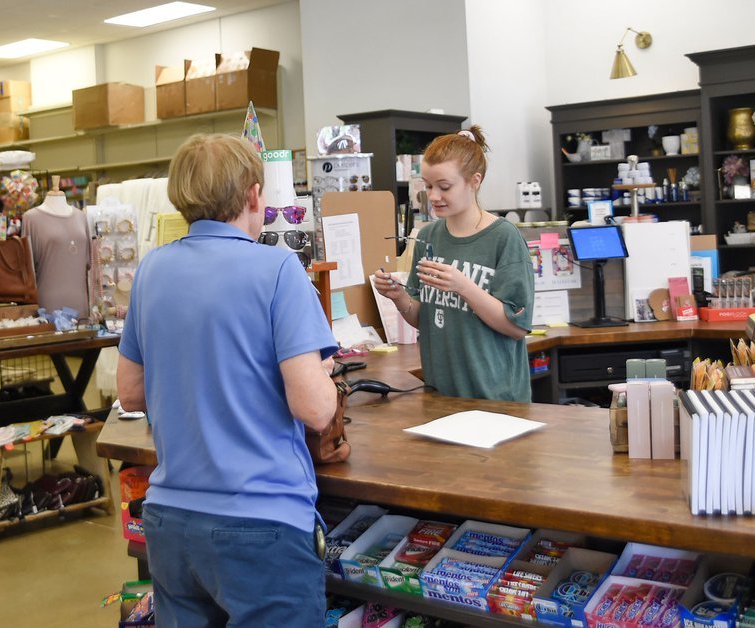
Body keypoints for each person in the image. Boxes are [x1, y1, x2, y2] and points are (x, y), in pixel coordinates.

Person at [116, 133, 339, 627]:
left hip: (172, 523)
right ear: (254, 195)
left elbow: (130, 393)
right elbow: (316, 410)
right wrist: (323, 373)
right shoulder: (278, 267)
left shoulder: (151, 270)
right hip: (261, 525)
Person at [373, 125, 534, 402]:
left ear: (475, 181)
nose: (434, 196)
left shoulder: (504, 237)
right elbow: (422, 317)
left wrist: (463, 287)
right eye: (428, 186)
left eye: (444, 187)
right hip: (442, 397)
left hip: (497, 399)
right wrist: (399, 297)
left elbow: (516, 327)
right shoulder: (427, 237)